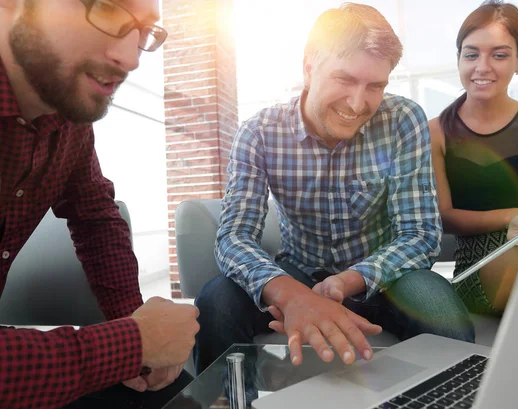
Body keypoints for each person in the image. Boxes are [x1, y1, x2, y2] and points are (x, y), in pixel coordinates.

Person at [194, 2, 475, 375]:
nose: (358, 104)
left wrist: (347, 281)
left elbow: (419, 234)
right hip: (298, 273)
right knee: (216, 302)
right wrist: (290, 294)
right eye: (345, 79)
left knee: (442, 314)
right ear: (309, 67)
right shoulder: (259, 133)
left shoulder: (403, 120)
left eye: (375, 86)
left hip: (385, 276)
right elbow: (233, 238)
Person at [0, 1, 199, 408]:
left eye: (144, 32)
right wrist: (131, 343)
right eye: (107, 9)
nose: (130, 59)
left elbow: (96, 217)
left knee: (170, 395)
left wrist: (136, 328)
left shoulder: (68, 119)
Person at [429, 1, 518, 315]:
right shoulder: (434, 133)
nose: (482, 67)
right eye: (471, 54)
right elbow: (445, 218)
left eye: (499, 54)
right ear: (458, 59)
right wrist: (514, 218)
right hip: (475, 267)